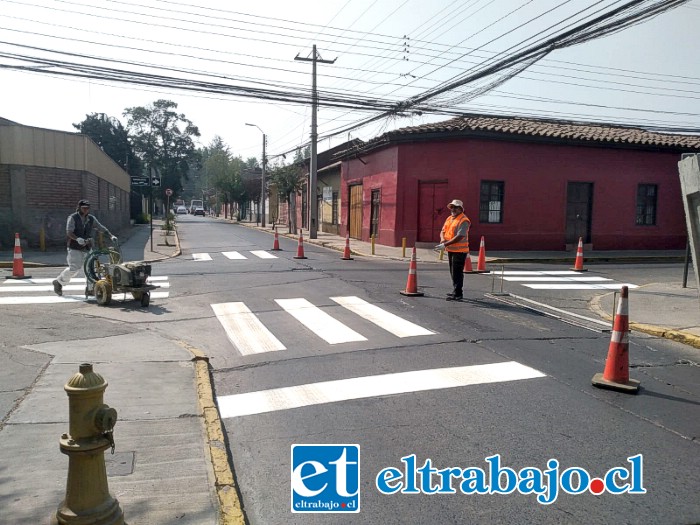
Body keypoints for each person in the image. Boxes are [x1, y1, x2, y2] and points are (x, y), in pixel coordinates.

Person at [52, 200, 118, 296]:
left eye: (87, 208)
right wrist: (77, 239)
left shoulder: (91, 218)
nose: (86, 210)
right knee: (74, 268)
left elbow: (100, 227)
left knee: (90, 268)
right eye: (84, 208)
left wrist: (111, 235)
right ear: (79, 208)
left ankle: (90, 289)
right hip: (74, 247)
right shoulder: (73, 218)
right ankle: (59, 282)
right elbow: (69, 232)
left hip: (87, 246)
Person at [435, 199, 471, 302]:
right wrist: (442, 239)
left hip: (460, 251)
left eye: (455, 207)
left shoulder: (464, 220)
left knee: (457, 273)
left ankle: (458, 293)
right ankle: (455, 290)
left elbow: (460, 236)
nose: (453, 209)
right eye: (452, 207)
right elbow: (443, 230)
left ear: (460, 209)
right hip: (451, 250)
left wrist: (445, 244)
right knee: (453, 272)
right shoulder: (450, 218)